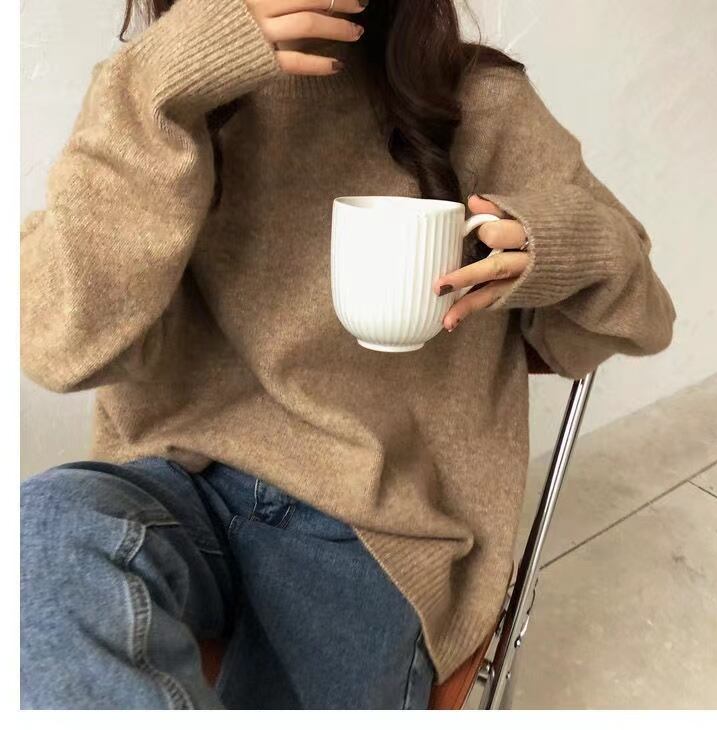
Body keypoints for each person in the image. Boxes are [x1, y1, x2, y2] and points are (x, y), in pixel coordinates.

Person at [19, 0, 676, 710]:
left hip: (375, 526)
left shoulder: (476, 102)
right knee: (42, 532)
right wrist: (159, 83)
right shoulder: (152, 86)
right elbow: (56, 345)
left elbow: (642, 318)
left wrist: (550, 244)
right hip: (177, 487)